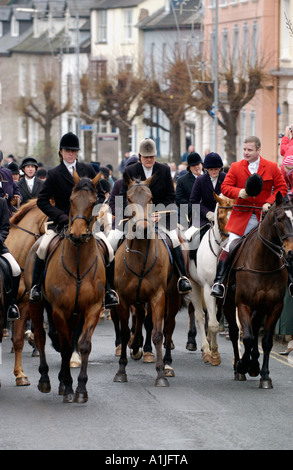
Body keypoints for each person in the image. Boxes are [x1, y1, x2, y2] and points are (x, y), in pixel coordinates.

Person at [29, 132, 118, 308]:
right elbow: (42, 200)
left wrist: (90, 214)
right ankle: (36, 287)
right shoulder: (54, 174)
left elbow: (100, 195)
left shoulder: (88, 170)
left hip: (87, 223)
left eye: (73, 151)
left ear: (77, 152)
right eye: (67, 150)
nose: (70, 153)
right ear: (61, 151)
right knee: (43, 247)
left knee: (109, 250)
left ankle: (109, 291)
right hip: (61, 222)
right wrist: (60, 216)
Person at [107, 138, 192, 294]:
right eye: (146, 157)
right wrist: (134, 215)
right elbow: (121, 197)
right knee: (111, 242)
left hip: (159, 217)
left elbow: (170, 196)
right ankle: (110, 288)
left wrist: (159, 212)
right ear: (140, 156)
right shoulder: (130, 171)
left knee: (174, 239)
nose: (149, 160)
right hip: (133, 219)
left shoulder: (164, 170)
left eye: (151, 157)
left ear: (155, 156)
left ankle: (182, 278)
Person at [211, 136, 288, 298]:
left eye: (249, 150)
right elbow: (225, 187)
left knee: (284, 245)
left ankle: (291, 280)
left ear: (258, 150)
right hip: (242, 216)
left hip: (265, 217)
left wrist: (269, 202)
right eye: (244, 149)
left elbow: (281, 188)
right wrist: (240, 192)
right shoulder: (236, 167)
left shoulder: (272, 167)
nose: (246, 153)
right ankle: (219, 282)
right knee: (230, 244)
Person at [189, 152, 226, 227]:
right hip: (205, 217)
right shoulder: (200, 180)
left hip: (224, 214)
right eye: (211, 169)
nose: (214, 171)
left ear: (220, 168)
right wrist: (206, 213)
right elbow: (193, 200)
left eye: (216, 169)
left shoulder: (226, 178)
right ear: (206, 169)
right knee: (194, 237)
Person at [0, 197, 21, 320]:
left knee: (16, 269)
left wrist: (0, 239)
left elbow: (4, 227)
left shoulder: (2, 202)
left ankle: (11, 305)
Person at [175, 152, 203, 225]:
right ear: (189, 167)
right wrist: (194, 210)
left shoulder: (209, 177)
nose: (196, 167)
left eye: (198, 164)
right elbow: (179, 199)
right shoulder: (182, 181)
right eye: (193, 165)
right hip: (189, 216)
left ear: (201, 164)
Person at [0, 150, 22, 216]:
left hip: (7, 215)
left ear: (1, 161)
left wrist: (17, 198)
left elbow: (16, 189)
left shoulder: (7, 173)